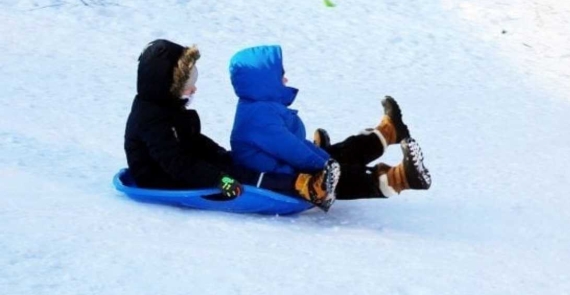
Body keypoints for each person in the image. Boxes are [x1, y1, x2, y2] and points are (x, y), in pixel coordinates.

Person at [124, 39, 338, 206]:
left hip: (182, 165)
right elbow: (177, 162)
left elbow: (192, 141)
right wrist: (219, 180)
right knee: (239, 177)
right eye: (187, 84)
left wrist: (218, 154)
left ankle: (304, 177)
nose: (194, 89)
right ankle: (303, 186)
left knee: (232, 164)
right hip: (160, 177)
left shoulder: (166, 106)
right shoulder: (152, 119)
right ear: (167, 86)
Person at [228, 45, 431, 208]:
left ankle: (388, 133)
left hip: (285, 165)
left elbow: (294, 144)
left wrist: (323, 158)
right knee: (336, 170)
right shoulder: (258, 116)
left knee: (334, 158)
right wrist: (322, 164)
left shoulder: (262, 108)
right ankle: (401, 178)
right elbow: (290, 148)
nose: (286, 79)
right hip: (282, 178)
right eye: (280, 75)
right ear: (263, 82)